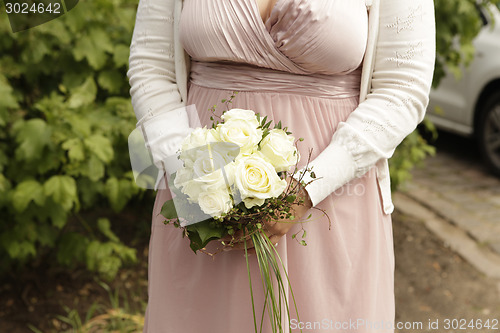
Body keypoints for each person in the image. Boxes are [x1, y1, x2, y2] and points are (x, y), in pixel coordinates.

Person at [127, 0, 436, 332]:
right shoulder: (196, 184)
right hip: (202, 199)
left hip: (333, 200)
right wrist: (193, 175)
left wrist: (307, 188)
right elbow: (151, 67)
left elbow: (403, 89)